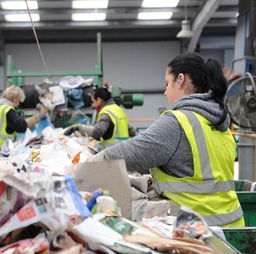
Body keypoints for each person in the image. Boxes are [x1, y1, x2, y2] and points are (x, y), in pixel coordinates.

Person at [90, 53, 244, 228]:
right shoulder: (219, 120)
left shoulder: (178, 121)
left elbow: (127, 155)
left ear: (180, 80)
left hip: (199, 230)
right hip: (233, 224)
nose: (164, 91)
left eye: (167, 83)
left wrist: (83, 167)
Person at [64, 87, 129, 143]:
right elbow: (129, 129)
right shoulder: (117, 109)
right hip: (124, 147)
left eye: (93, 102)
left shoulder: (106, 112)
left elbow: (97, 132)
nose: (93, 105)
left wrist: (78, 127)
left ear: (99, 100)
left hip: (112, 148)